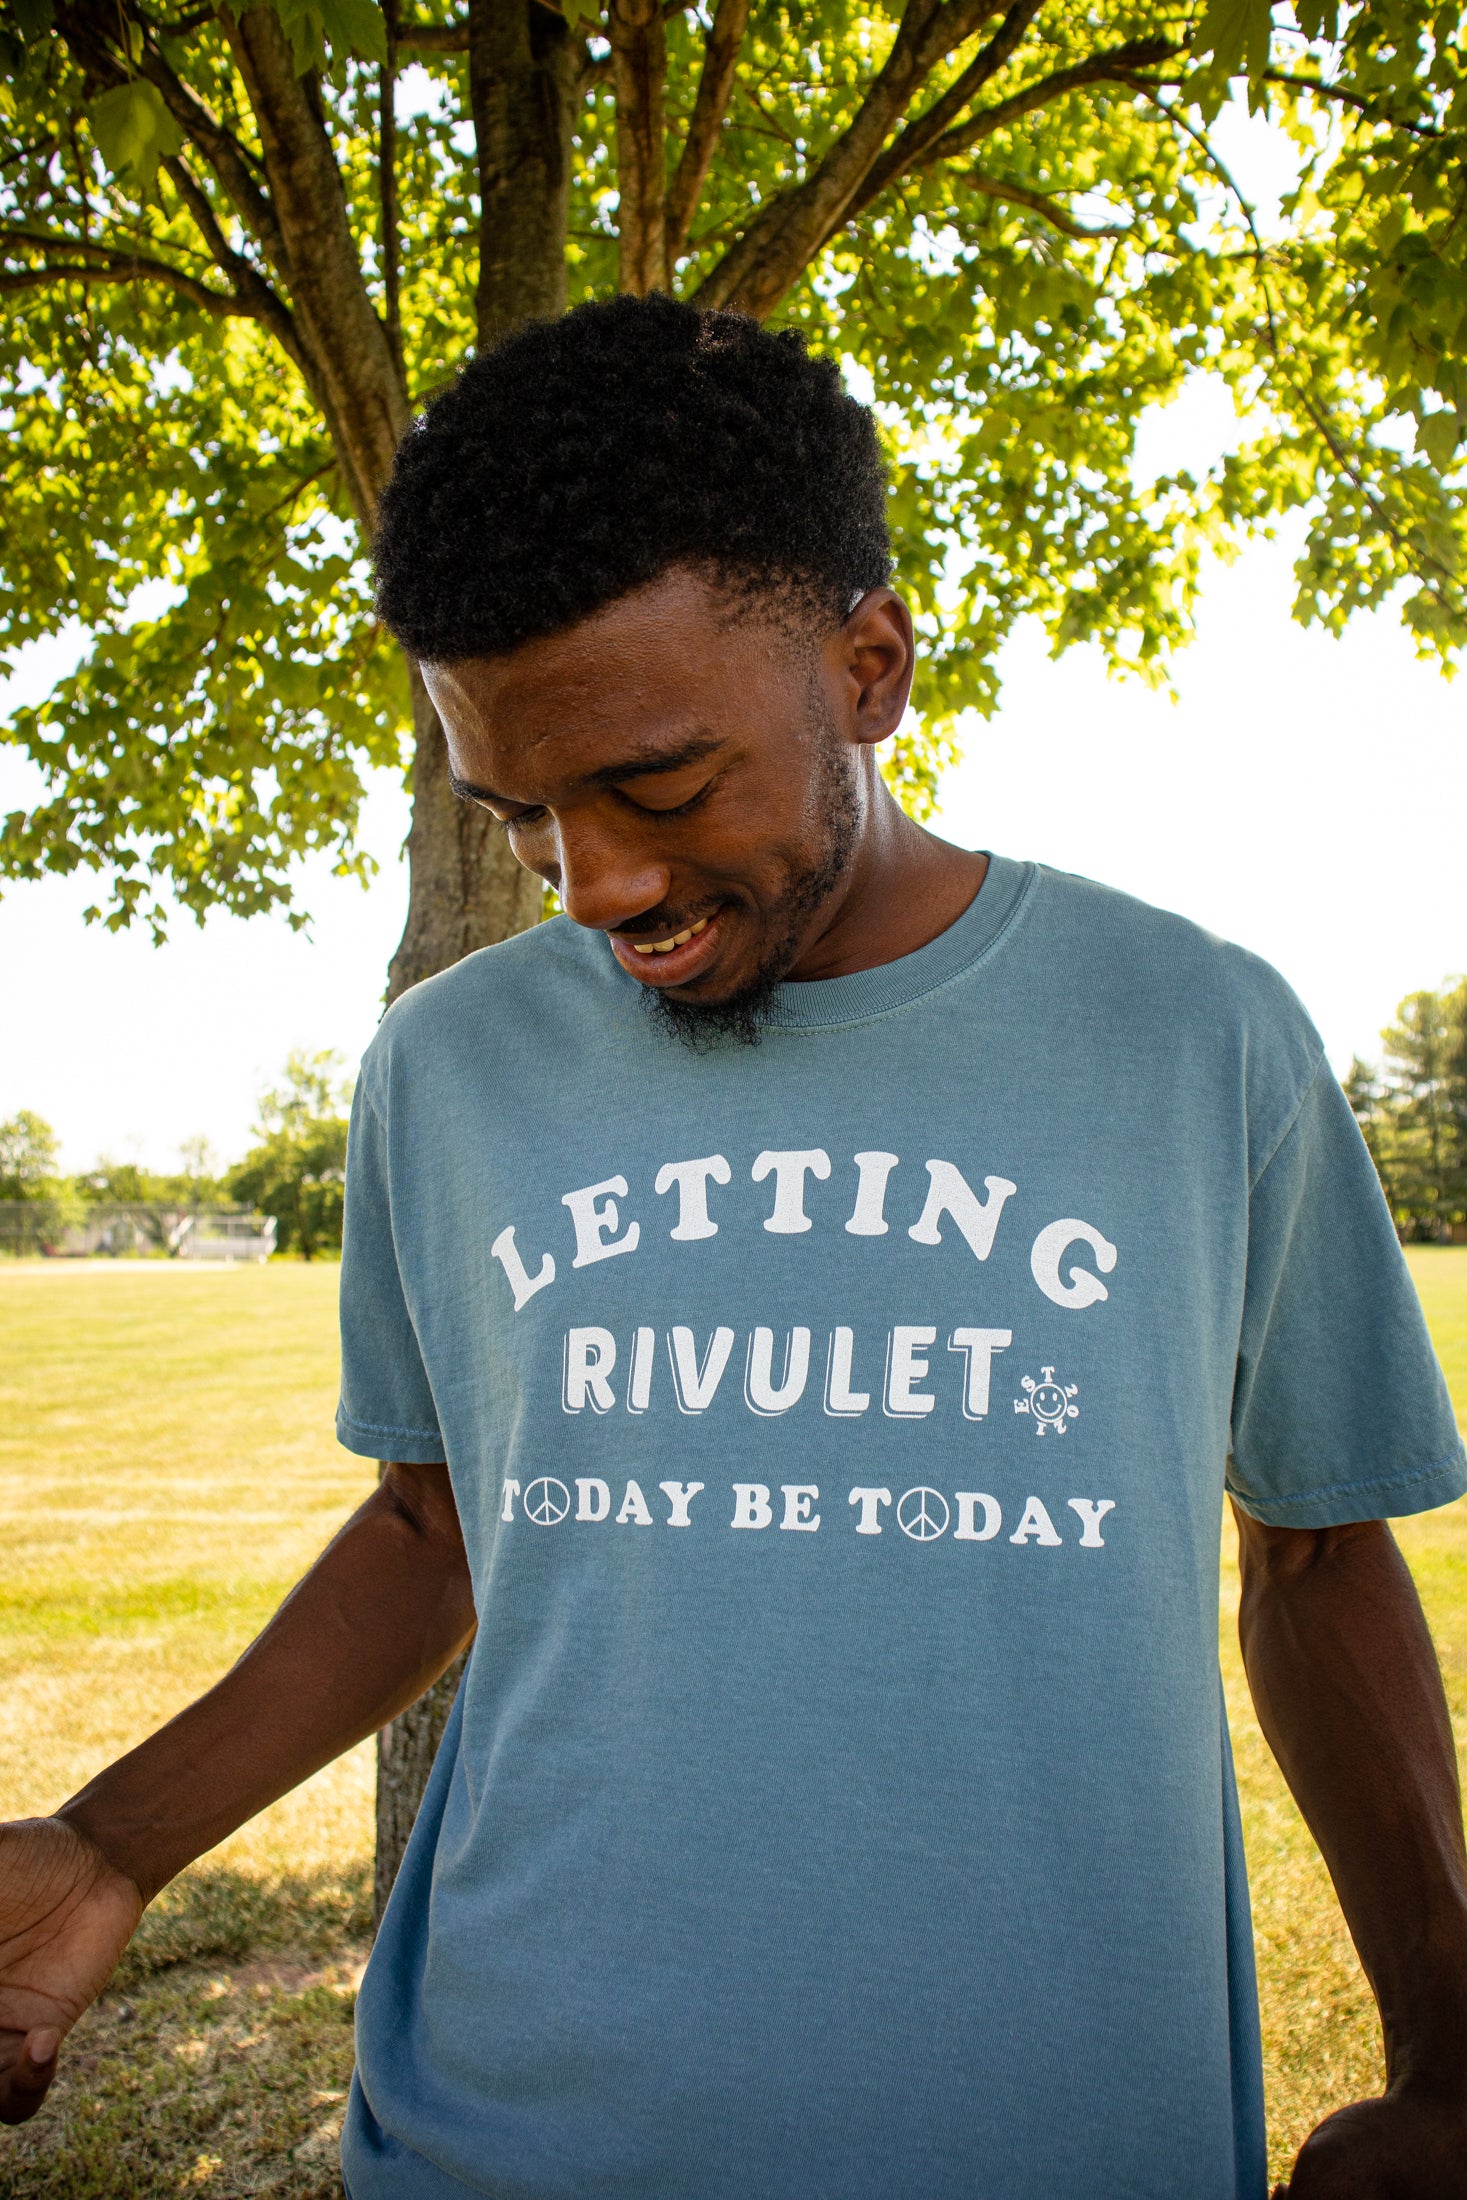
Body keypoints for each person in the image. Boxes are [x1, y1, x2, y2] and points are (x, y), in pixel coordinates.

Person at [2, 295, 1465, 2200]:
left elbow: (1323, 1549)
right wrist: (113, 1844)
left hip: (1065, 2137)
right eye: (521, 813)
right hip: (493, 2140)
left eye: (662, 786)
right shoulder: (447, 1070)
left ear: (869, 669)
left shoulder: (1194, 1033)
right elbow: (435, 1529)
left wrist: (1445, 2050)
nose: (598, 884)